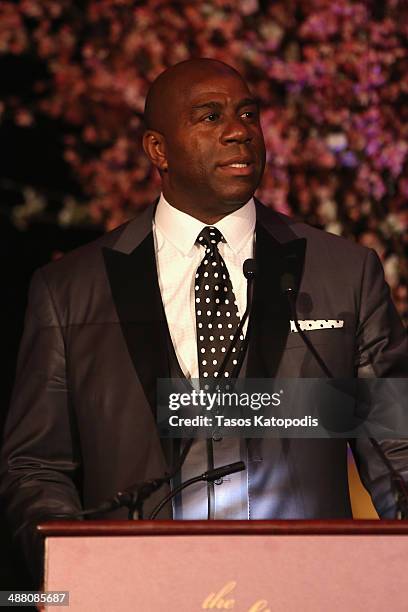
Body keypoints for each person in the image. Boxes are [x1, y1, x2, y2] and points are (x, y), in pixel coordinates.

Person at [1, 58, 407, 585]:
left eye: (248, 114)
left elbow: (396, 447)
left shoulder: (346, 272)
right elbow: (36, 467)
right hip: (136, 592)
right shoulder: (69, 291)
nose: (239, 132)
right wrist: (78, 572)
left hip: (305, 590)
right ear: (158, 149)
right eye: (210, 117)